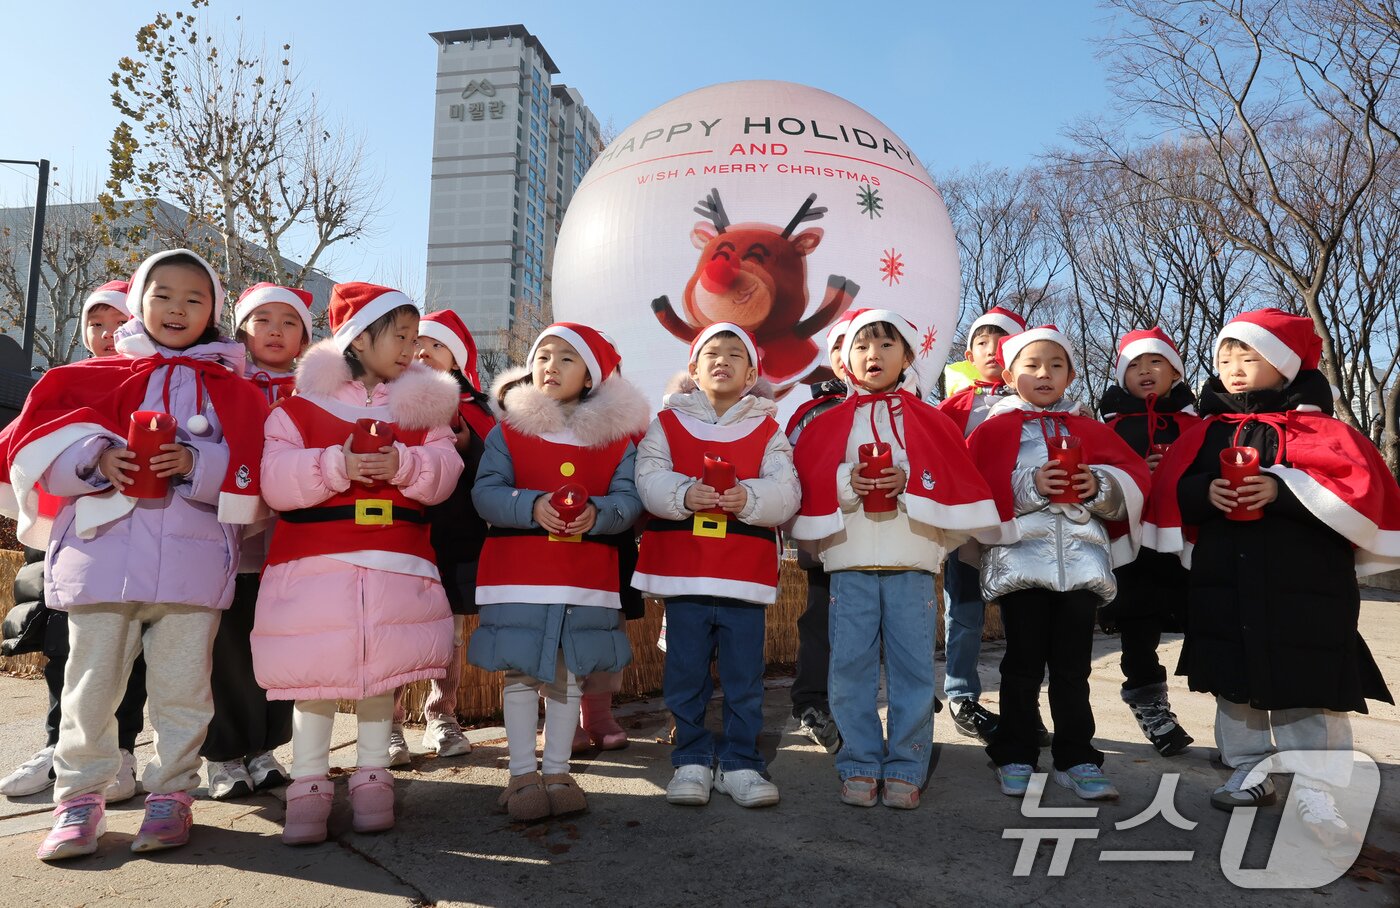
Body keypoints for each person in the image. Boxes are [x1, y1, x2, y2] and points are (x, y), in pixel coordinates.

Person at [0, 249, 270, 860]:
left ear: (215, 311)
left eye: (195, 299)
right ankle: (77, 804)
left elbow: (259, 473)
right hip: (99, 563)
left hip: (191, 569)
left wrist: (199, 465)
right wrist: (95, 459)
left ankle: (172, 795)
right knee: (89, 690)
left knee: (183, 691)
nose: (178, 309)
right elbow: (36, 447)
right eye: (164, 295)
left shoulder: (236, 390)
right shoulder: (91, 376)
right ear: (139, 301)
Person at [1147, 309, 1399, 842]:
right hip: (1225, 583)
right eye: (1224, 356)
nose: (1233, 366)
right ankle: (1250, 767)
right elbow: (1173, 491)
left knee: (1307, 683)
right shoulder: (1206, 432)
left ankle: (1319, 785)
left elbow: (1356, 495)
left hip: (1305, 588)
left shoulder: (1326, 432)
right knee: (1234, 683)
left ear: (1284, 366)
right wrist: (1203, 493)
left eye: (1249, 355)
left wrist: (1282, 491)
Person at [251, 282, 462, 845]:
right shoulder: (296, 408)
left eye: (415, 338)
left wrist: (405, 462)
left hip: (397, 564)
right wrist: (337, 465)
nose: (411, 349)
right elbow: (275, 481)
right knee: (313, 682)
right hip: (315, 568)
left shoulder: (425, 410)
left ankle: (374, 778)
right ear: (358, 336)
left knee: (382, 680)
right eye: (400, 336)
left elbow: (445, 474)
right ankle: (309, 785)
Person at [790, 308, 999, 809]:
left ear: (907, 355)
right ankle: (859, 761)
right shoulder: (827, 424)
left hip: (911, 562)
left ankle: (907, 763)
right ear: (844, 359)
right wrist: (847, 485)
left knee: (913, 671)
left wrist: (911, 485)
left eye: (886, 345)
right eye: (862, 345)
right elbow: (809, 485)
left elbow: (952, 481)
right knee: (850, 670)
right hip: (849, 562)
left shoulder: (931, 420)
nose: (873, 355)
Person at [469, 322, 646, 820]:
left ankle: (558, 771)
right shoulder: (509, 431)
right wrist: (531, 505)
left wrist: (600, 516)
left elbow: (629, 500)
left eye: (567, 358)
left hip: (584, 576)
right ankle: (522, 774)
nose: (551, 365)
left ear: (589, 377)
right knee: (522, 673)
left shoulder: (615, 442)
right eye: (544, 355)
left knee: (570, 676)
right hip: (520, 574)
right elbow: (485, 492)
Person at [969, 325, 1149, 801]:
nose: (1043, 374)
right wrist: (1031, 484)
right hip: (1020, 565)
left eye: (1055, 365)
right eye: (1030, 365)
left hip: (1082, 567)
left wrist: (1101, 485)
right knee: (1022, 665)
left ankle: (1077, 757)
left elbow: (1133, 479)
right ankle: (1014, 752)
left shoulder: (1091, 429)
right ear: (1009, 375)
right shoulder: (993, 430)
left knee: (1073, 670)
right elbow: (976, 490)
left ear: (1070, 373)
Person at [633, 322, 800, 809]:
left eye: (735, 353)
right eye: (711, 353)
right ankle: (691, 759)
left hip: (742, 572)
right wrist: (684, 493)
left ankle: (741, 764)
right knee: (685, 672)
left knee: (744, 675)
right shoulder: (665, 423)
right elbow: (647, 475)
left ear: (751, 374)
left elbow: (788, 490)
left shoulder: (770, 429)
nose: (722, 359)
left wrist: (749, 497)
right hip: (685, 571)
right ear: (693, 368)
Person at [0, 281, 146, 803]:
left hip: (132, 546)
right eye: (96, 324)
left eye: (117, 323)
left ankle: (122, 753)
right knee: (64, 652)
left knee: (129, 658)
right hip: (66, 543)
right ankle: (58, 748)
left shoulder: (151, 381)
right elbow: (19, 444)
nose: (106, 336)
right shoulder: (64, 383)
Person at [200, 283, 313, 800]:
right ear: (241, 329)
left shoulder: (317, 393)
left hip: (288, 547)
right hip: (227, 539)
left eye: (289, 322)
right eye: (262, 318)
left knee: (275, 648)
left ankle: (265, 747)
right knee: (224, 648)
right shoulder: (217, 382)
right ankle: (223, 755)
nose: (275, 329)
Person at [385, 308, 496, 764]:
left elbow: (495, 471)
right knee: (392, 626)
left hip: (456, 533)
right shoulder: (382, 397)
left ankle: (441, 715)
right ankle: (386, 723)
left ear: (458, 358)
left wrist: (468, 440)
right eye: (418, 343)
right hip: (397, 531)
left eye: (437, 345)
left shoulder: (480, 409)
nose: (425, 352)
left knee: (449, 631)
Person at [1097, 328, 1199, 757]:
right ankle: (1151, 706)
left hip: (1188, 549)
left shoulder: (1200, 425)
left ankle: (1235, 717)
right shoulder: (1109, 429)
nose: (1145, 372)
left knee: (1209, 626)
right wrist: (1137, 470)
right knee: (1140, 632)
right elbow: (1098, 481)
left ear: (1175, 371)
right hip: (1134, 550)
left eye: (1155, 362)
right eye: (1134, 365)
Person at [936, 305, 1026, 744]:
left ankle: (1021, 706)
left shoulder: (1036, 404)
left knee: (1023, 622)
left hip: (1024, 532)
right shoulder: (951, 407)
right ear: (969, 351)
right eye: (982, 342)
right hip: (969, 532)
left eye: (1002, 341)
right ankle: (961, 696)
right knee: (966, 615)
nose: (992, 350)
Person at [783, 308, 856, 753]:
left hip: (885, 540)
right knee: (821, 623)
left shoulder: (904, 406)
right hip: (827, 539)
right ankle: (812, 702)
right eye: (849, 349)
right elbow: (792, 475)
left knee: (881, 624)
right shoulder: (810, 414)